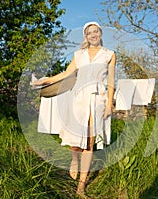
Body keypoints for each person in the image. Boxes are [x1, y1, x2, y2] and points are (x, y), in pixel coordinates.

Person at [32, 21, 116, 196]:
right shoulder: (79, 55)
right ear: (86, 36)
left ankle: (81, 186)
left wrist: (109, 104)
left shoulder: (109, 54)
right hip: (78, 97)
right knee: (77, 135)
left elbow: (110, 81)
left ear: (100, 33)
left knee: (90, 141)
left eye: (95, 31)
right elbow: (66, 74)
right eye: (89, 33)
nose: (93, 35)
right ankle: (74, 159)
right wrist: (44, 81)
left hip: (98, 99)